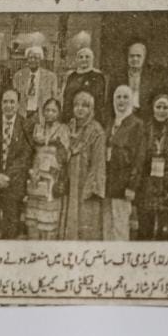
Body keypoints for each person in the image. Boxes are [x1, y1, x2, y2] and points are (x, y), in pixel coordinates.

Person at [0, 88, 33, 239]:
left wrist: (7, 176)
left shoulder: (26, 124)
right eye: (5, 102)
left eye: (12, 102)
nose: (8, 105)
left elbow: (25, 156)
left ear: (18, 104)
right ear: (1, 103)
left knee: (10, 229)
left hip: (13, 181)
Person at [135, 93, 168, 241]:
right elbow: (138, 160)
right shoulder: (144, 129)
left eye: (165, 107)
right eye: (158, 107)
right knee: (144, 231)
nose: (161, 110)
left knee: (165, 233)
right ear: (153, 108)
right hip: (147, 188)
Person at [59, 90, 106, 240]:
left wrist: (90, 187)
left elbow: (98, 163)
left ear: (91, 108)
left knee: (86, 223)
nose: (80, 109)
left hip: (86, 184)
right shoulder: (69, 127)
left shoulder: (96, 130)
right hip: (70, 182)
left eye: (85, 106)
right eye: (76, 105)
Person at [103, 84, 146, 240]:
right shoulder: (111, 122)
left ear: (131, 100)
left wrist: (131, 186)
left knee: (120, 226)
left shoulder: (137, 124)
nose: (121, 101)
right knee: (107, 224)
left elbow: (139, 158)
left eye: (125, 97)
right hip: (107, 181)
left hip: (122, 182)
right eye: (118, 97)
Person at [24, 97, 70, 240]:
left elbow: (65, 156)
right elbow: (31, 151)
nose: (50, 113)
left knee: (48, 220)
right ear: (43, 112)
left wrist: (55, 145)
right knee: (33, 218)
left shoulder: (63, 129)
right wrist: (33, 171)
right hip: (35, 176)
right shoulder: (37, 128)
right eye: (47, 110)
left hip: (51, 178)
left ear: (59, 113)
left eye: (53, 111)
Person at [61, 31, 107, 125]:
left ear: (92, 59)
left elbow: (98, 101)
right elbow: (66, 98)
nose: (84, 59)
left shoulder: (97, 76)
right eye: (81, 57)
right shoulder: (72, 76)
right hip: (71, 119)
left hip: (90, 119)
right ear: (77, 60)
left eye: (87, 57)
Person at [12, 34, 59, 118]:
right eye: (30, 58)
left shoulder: (51, 77)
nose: (33, 60)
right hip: (23, 114)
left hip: (41, 114)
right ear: (27, 59)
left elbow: (54, 99)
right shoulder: (18, 76)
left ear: (40, 59)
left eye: (36, 58)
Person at [111, 41, 157, 115]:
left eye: (138, 56)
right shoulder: (118, 77)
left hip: (145, 116)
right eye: (131, 56)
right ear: (127, 57)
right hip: (124, 115)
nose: (135, 59)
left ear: (144, 57)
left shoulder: (152, 77)